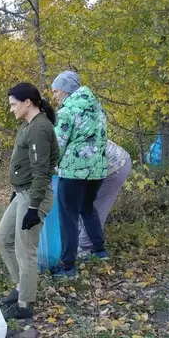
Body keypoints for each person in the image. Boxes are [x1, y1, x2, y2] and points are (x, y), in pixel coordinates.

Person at [0, 83, 58, 320]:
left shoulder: (39, 128)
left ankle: (25, 304)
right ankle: (21, 285)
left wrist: (33, 207)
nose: (11, 109)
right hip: (22, 192)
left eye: (13, 104)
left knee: (25, 249)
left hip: (34, 195)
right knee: (3, 239)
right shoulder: (27, 125)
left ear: (27, 102)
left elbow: (41, 171)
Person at [51, 71, 108, 278]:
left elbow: (57, 144)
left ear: (65, 89)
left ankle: (67, 266)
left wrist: (49, 165)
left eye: (56, 91)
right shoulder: (98, 108)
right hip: (98, 170)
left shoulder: (67, 112)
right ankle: (100, 251)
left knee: (68, 217)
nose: (54, 96)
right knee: (87, 208)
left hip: (74, 171)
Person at [78, 140, 131, 255]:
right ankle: (84, 244)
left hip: (114, 166)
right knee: (82, 205)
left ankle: (86, 248)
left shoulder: (56, 139)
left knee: (92, 207)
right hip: (95, 166)